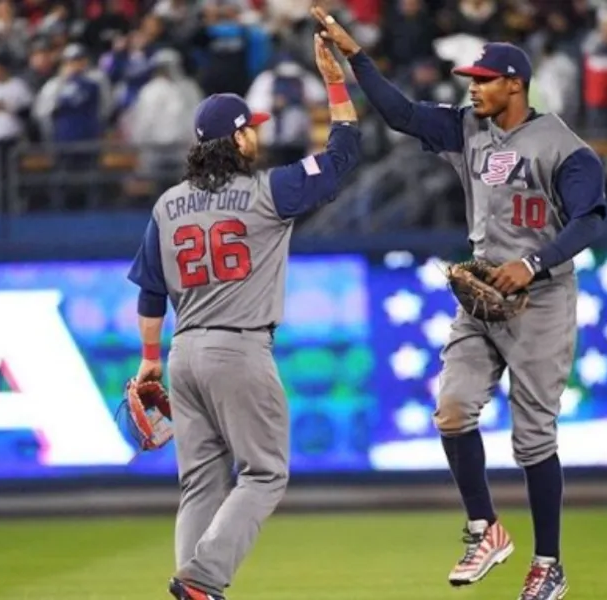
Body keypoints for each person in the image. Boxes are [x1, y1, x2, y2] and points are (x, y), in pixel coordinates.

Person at [314, 7, 607, 600]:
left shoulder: (565, 148)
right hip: (481, 293)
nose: (472, 88)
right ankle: (486, 530)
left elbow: (590, 219)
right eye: (470, 80)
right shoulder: (467, 127)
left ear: (514, 84)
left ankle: (548, 564)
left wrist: (531, 264)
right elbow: (398, 114)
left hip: (542, 297)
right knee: (451, 410)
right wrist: (356, 57)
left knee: (532, 439)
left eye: (482, 79)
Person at [125, 34, 362, 600]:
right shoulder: (268, 191)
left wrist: (150, 360)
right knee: (264, 473)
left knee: (200, 483)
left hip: (183, 354)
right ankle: (202, 580)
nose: (255, 132)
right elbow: (343, 156)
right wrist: (334, 82)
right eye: (248, 126)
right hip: (239, 349)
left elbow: (150, 293)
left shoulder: (167, 203)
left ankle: (193, 588)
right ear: (235, 138)